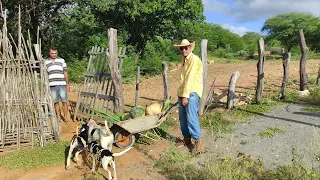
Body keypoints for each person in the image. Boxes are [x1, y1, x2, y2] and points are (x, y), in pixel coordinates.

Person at [174, 39, 203, 154]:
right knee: (182, 118)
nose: (184, 50)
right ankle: (187, 139)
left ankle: (198, 142)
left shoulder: (194, 59)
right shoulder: (184, 60)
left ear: (191, 48)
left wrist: (185, 96)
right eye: (182, 48)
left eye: (186, 47)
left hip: (191, 93)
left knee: (191, 117)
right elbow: (183, 79)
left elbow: (190, 78)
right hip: (183, 93)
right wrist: (181, 94)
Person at [46, 47, 70, 124]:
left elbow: (65, 72)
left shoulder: (61, 60)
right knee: (55, 101)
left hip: (62, 83)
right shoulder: (45, 62)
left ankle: (65, 117)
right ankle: (59, 117)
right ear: (49, 53)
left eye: (55, 53)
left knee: (64, 101)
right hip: (52, 84)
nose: (54, 55)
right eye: (52, 53)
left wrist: (67, 84)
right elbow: (45, 74)